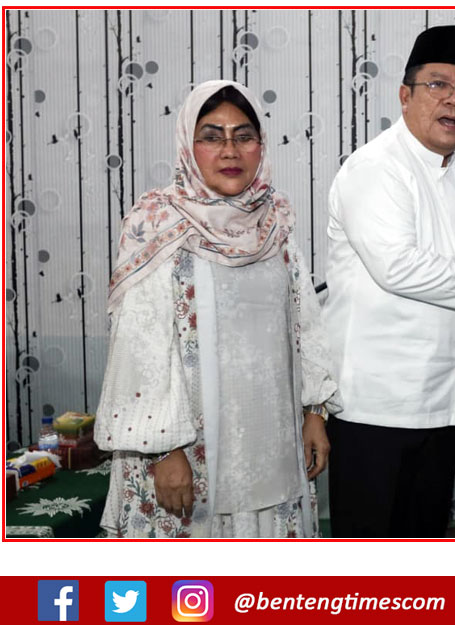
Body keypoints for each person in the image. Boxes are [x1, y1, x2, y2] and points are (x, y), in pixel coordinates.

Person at [321, 25, 455, 537]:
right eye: (438, 85)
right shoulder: (375, 168)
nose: (454, 100)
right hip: (373, 406)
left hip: (444, 404)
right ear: (406, 95)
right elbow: (396, 265)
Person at [95, 80, 338, 538]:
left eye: (244, 136)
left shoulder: (274, 221)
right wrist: (165, 451)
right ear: (188, 146)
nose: (230, 150)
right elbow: (140, 348)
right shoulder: (157, 223)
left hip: (272, 445)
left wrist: (314, 412)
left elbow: (304, 323)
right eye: (211, 136)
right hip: (186, 458)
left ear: (260, 145)